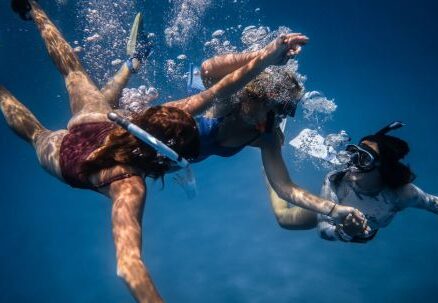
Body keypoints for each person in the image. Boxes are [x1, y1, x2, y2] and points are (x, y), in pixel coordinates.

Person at [2, 1, 315, 302]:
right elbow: (129, 265)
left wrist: (270, 54)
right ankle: (124, 67)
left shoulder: (173, 112)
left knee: (75, 75)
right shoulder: (129, 184)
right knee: (36, 133)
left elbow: (225, 86)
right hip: (68, 157)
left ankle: (38, 11)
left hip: (96, 123)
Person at [105, 14, 367, 226]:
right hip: (168, 124)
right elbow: (208, 69)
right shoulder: (228, 101)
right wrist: (265, 55)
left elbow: (285, 187)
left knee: (151, 162)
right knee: (108, 109)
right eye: (273, 108)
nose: (275, 118)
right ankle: (135, 59)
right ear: (251, 96)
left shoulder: (267, 136)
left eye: (282, 111)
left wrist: (333, 209)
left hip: (174, 157)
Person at [267, 122, 438, 243]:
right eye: (353, 154)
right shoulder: (336, 180)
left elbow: (434, 204)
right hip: (334, 210)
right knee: (284, 218)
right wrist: (344, 231)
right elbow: (324, 230)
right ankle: (270, 175)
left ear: (383, 167)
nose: (353, 164)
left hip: (366, 229)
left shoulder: (403, 194)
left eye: (363, 159)